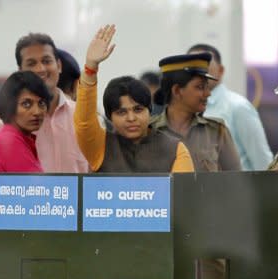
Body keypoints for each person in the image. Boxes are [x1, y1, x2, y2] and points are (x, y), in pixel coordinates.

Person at [74, 25, 194, 173]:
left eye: (138, 109)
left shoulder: (176, 150)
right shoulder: (101, 146)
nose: (131, 118)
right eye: (121, 112)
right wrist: (90, 68)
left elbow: (180, 194)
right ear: (110, 117)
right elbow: (84, 123)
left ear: (149, 111)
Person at [0, 33, 89, 173]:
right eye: (31, 63)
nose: (40, 69)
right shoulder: (3, 120)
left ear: (59, 65)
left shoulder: (84, 116)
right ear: (20, 71)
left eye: (46, 61)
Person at [150, 52, 242, 172]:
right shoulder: (149, 131)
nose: (208, 93)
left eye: (207, 87)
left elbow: (236, 180)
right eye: (200, 87)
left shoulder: (216, 131)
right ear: (177, 90)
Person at [187, 44, 273, 170]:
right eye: (192, 68)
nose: (198, 74)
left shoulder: (238, 107)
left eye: (204, 66)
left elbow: (262, 160)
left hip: (237, 188)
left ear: (220, 70)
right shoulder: (187, 109)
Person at [0, 71, 52, 172]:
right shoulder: (9, 141)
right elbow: (37, 187)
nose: (37, 112)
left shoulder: (19, 138)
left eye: (41, 103)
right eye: (26, 104)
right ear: (10, 106)